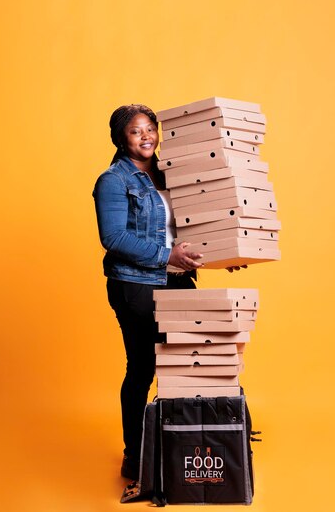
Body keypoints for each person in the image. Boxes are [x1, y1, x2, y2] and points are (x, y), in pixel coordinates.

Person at [92, 104, 203, 481]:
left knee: (191, 361)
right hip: (134, 284)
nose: (146, 137)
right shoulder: (113, 180)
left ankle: (183, 446)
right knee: (143, 366)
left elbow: (186, 228)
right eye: (136, 131)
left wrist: (220, 254)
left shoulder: (170, 175)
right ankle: (135, 454)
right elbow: (114, 238)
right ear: (121, 138)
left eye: (150, 129)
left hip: (174, 279)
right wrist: (166, 255)